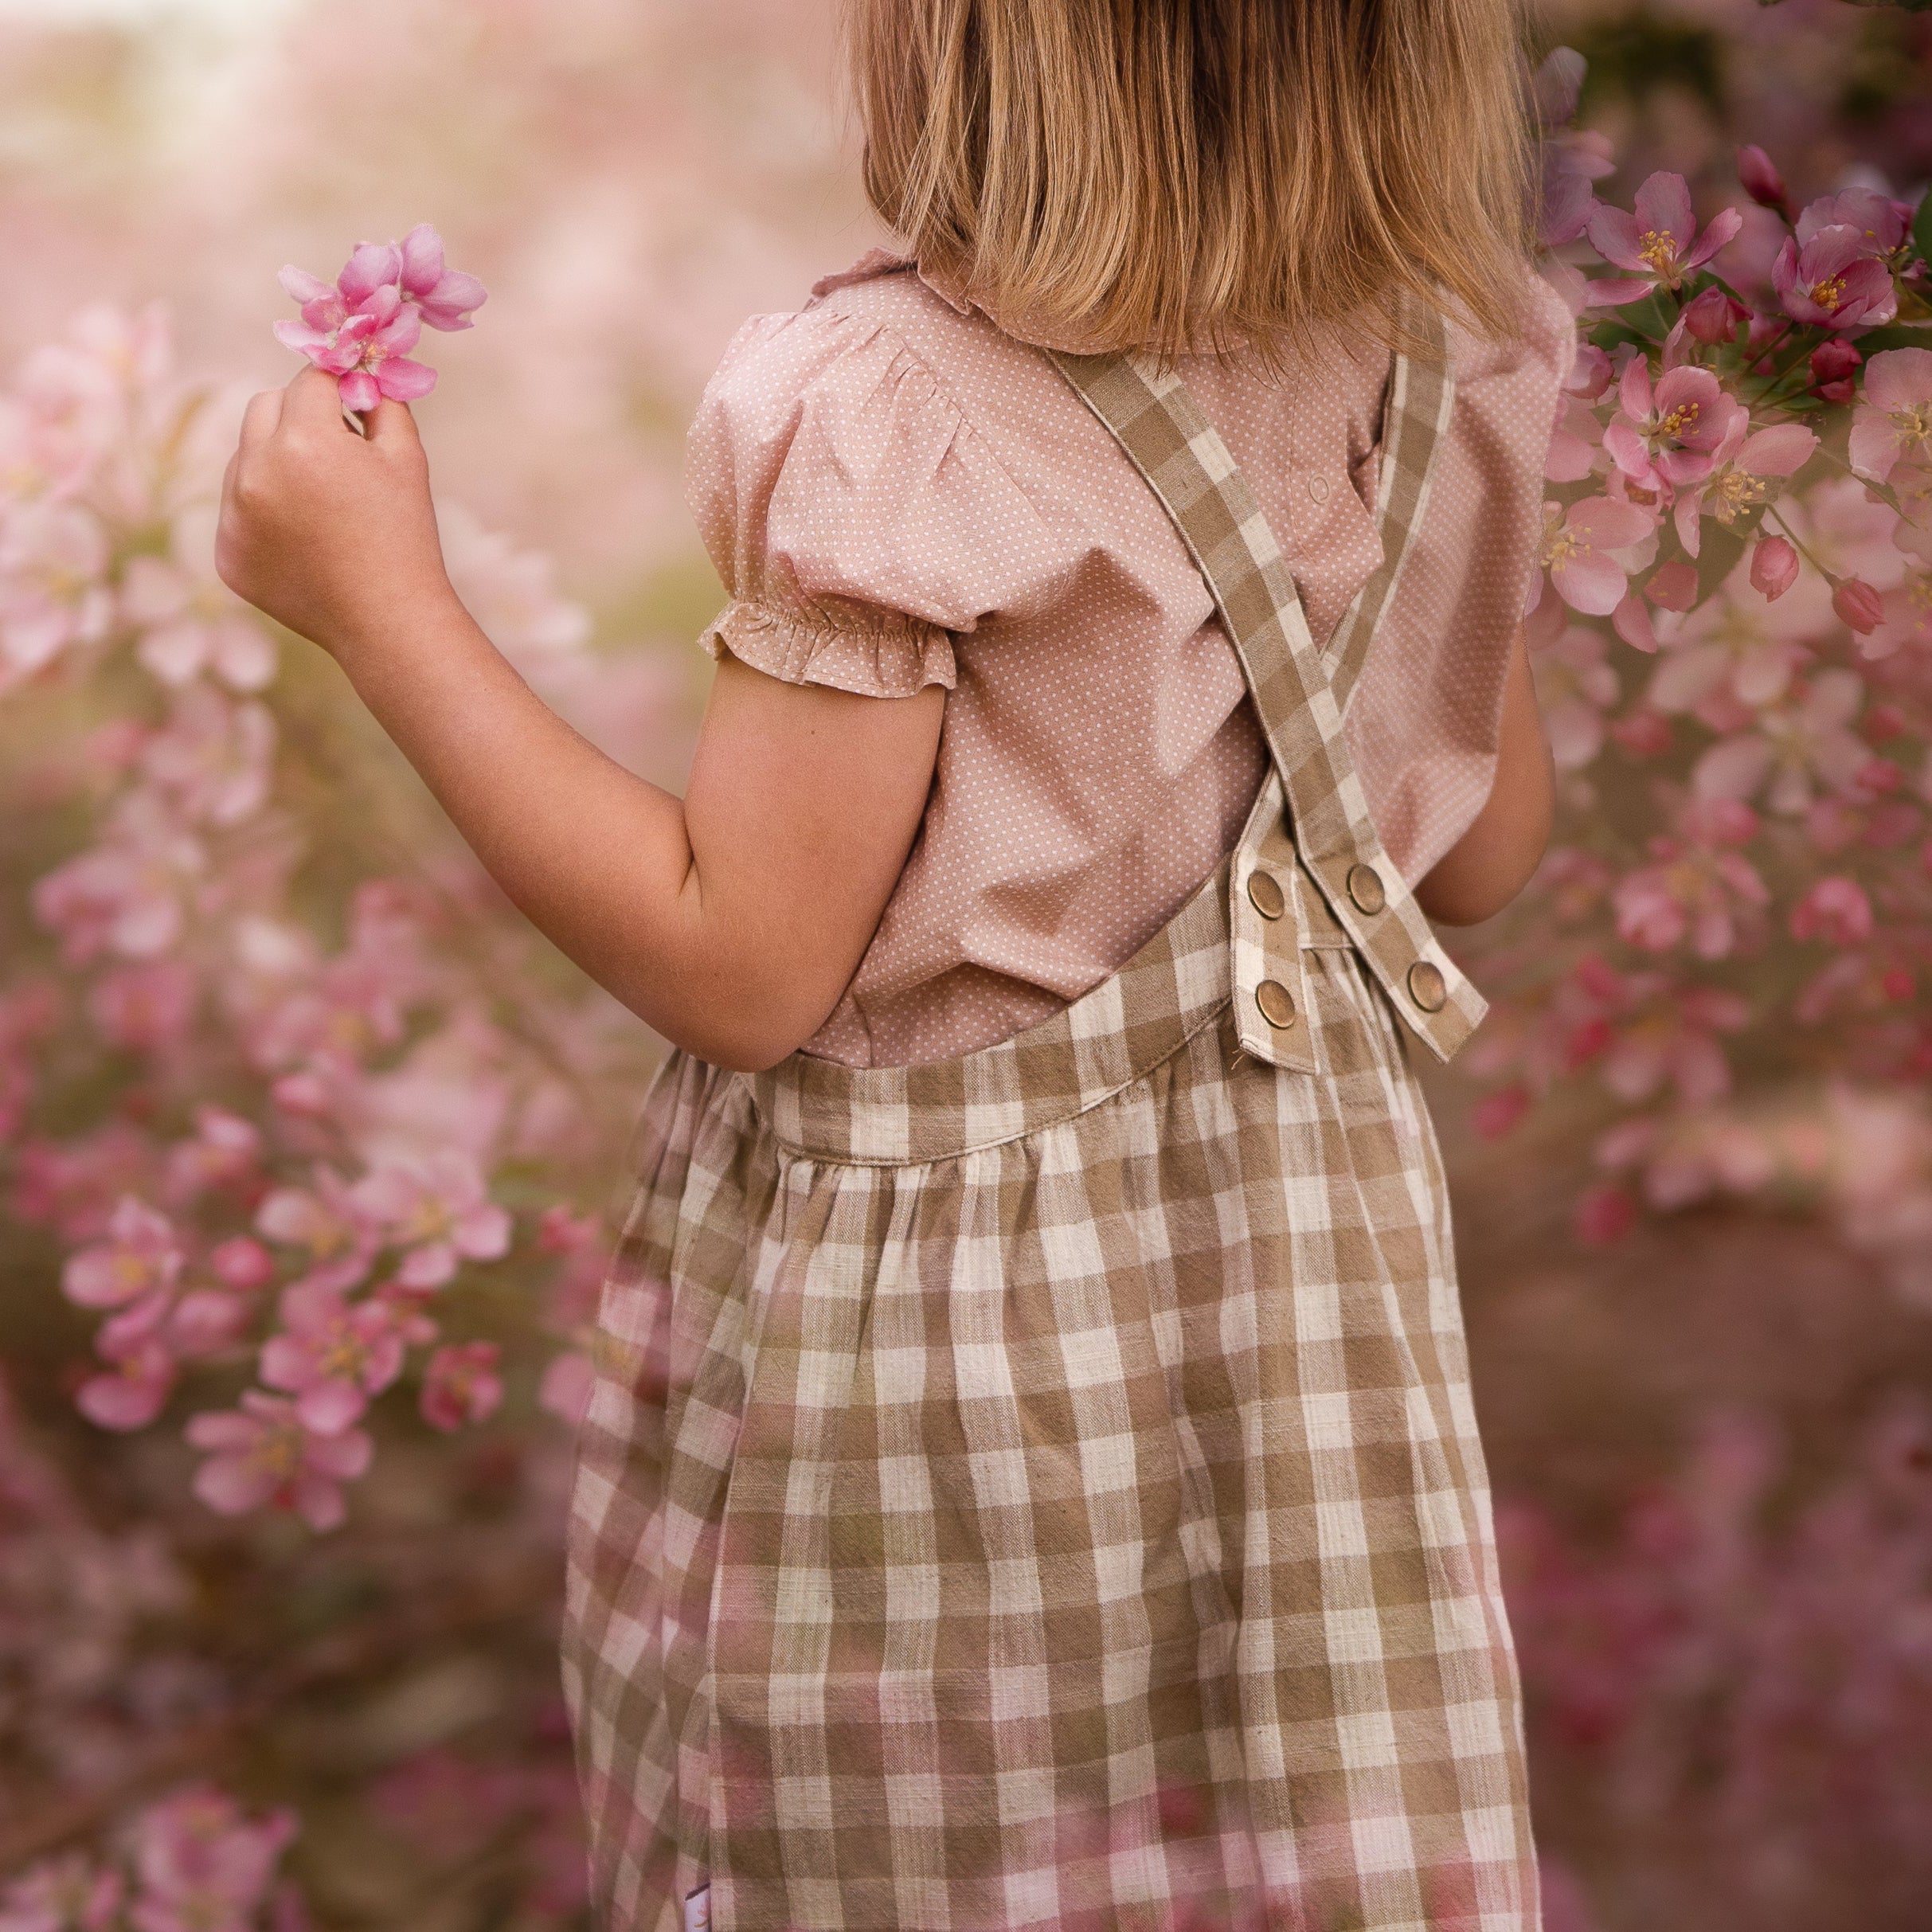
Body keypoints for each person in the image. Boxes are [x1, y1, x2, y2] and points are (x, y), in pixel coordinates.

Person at [217, 2, 1570, 1924]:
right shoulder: (1470, 341)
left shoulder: (904, 410)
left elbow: (742, 962)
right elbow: (1485, 849)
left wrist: (386, 609)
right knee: (1283, 1841)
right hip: (1308, 1307)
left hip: (958, 1363)